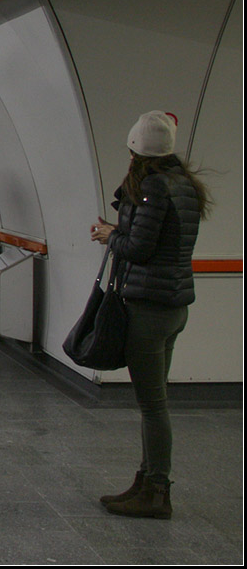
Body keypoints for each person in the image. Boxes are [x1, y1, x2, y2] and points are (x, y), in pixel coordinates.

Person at [89, 111, 209, 520]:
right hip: (173, 306)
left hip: (148, 309)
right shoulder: (183, 185)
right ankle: (146, 480)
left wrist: (110, 234)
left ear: (136, 149)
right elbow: (161, 241)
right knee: (154, 401)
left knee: (153, 405)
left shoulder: (154, 186)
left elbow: (139, 248)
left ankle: (156, 489)